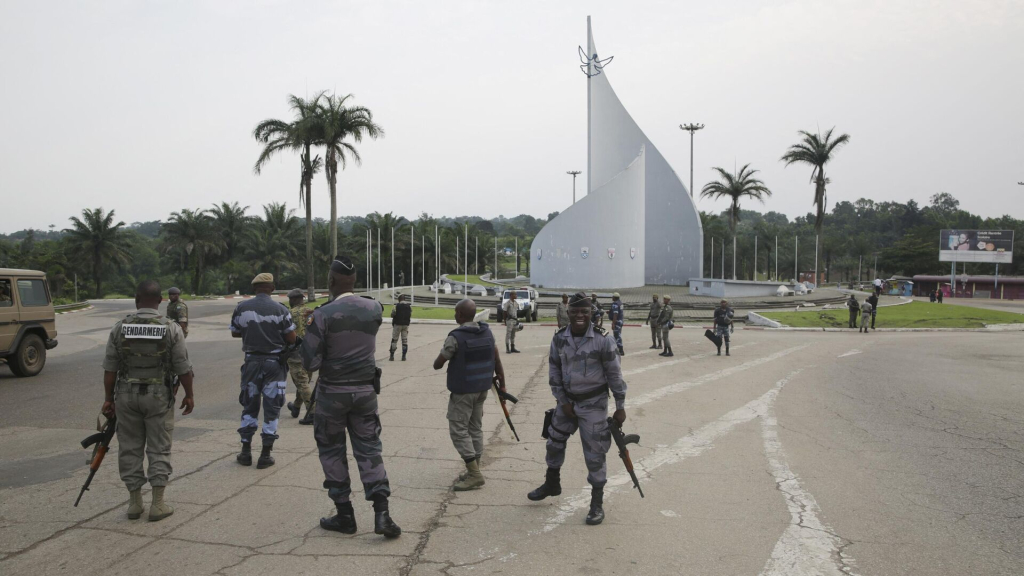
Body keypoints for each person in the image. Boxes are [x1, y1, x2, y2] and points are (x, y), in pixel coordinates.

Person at [301, 257, 401, 538]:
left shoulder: (322, 314)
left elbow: (310, 363)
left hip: (332, 395)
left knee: (332, 452)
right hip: (365, 393)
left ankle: (345, 516)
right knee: (370, 450)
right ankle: (382, 515)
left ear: (331, 281)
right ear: (354, 281)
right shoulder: (372, 308)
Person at [528, 292, 627, 526]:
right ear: (568, 313)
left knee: (594, 454)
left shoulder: (604, 340)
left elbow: (615, 375)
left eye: (584, 311)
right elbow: (554, 369)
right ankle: (552, 483)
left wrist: (620, 406)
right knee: (553, 442)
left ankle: (596, 503)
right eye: (575, 312)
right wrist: (562, 401)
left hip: (593, 404)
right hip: (567, 403)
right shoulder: (560, 337)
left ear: (591, 313)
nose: (580, 316)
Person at [100, 280, 194, 521]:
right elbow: (183, 367)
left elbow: (110, 369)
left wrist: (108, 399)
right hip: (158, 395)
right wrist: (189, 394)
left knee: (129, 447)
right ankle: (158, 504)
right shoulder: (170, 328)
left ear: (136, 299)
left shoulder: (120, 327)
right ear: (161, 300)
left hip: (126, 395)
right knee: (158, 447)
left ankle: (134, 504)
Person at [432, 299, 507, 491]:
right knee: (475, 428)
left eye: (456, 312)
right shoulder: (486, 332)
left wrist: (441, 359)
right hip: (482, 389)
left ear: (461, 315)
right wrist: (503, 382)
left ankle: (474, 474)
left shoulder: (456, 337)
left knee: (458, 430)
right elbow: (496, 357)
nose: (454, 315)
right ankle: (476, 468)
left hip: (464, 391)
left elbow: (438, 363)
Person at [230, 273, 297, 469]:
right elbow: (291, 338)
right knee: (272, 408)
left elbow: (235, 331)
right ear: (273, 288)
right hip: (274, 364)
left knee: (249, 405)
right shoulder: (280, 309)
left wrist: (252, 331)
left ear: (254, 288)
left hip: (251, 363)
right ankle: (265, 454)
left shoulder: (241, 307)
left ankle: (245, 452)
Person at [285, 288, 315, 425]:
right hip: (311, 352)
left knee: (302, 382)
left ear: (292, 300)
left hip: (295, 352)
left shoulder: (289, 314)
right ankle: (296, 407)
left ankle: (312, 413)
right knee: (304, 381)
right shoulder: (312, 312)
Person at [389, 294, 412, 361]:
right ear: (404, 299)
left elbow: (392, 315)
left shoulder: (396, 306)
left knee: (394, 340)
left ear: (399, 299)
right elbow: (410, 315)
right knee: (404, 341)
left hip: (397, 325)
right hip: (405, 325)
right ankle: (404, 356)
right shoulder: (409, 306)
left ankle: (392, 356)